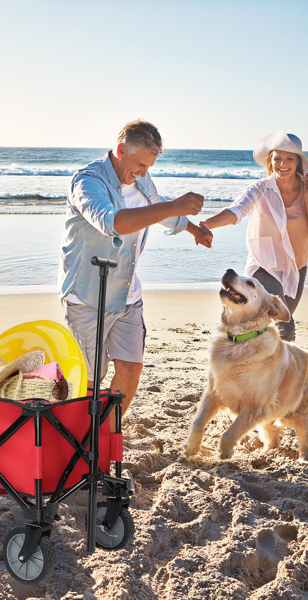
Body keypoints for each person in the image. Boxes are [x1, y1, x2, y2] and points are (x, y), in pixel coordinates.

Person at [58, 119, 212, 424]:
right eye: (139, 164)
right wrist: (172, 206)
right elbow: (113, 222)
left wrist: (192, 227)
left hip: (128, 293)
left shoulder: (141, 178)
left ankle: (102, 435)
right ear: (120, 150)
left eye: (148, 165)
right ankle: (76, 440)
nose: (143, 172)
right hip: (88, 295)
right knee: (87, 380)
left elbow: (155, 209)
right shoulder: (87, 182)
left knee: (131, 368)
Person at [197, 131, 308, 341]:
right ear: (270, 160)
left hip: (297, 269)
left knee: (272, 330)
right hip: (265, 267)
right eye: (277, 158)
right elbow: (237, 211)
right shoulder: (260, 189)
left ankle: (259, 365)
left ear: (298, 162)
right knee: (284, 328)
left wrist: (307, 199)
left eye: (289, 158)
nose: (282, 164)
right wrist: (206, 225)